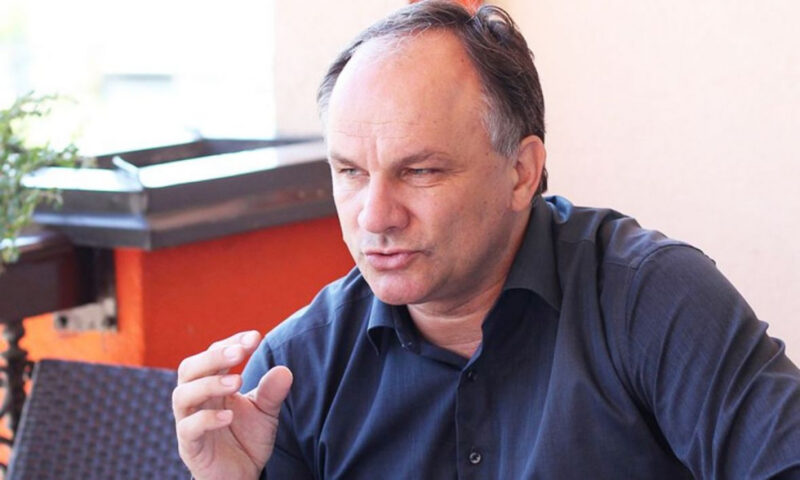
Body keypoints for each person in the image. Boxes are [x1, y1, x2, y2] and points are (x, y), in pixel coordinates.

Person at [172, 1, 800, 478]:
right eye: (351, 172)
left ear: (521, 172)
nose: (376, 216)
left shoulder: (652, 301)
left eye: (421, 171)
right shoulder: (297, 370)